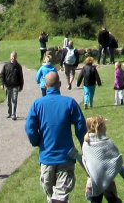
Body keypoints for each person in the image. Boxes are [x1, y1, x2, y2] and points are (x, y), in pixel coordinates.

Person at [25, 72, 86, 203]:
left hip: (47, 157)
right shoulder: (70, 103)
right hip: (66, 156)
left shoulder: (37, 104)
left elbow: (29, 127)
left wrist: (36, 141)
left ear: (45, 86)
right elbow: (80, 126)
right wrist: (84, 146)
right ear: (60, 84)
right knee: (61, 196)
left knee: (50, 195)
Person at [81, 116, 124, 203]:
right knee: (114, 201)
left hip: (91, 182)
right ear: (100, 127)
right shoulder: (106, 142)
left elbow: (85, 161)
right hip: (107, 181)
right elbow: (117, 159)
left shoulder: (86, 144)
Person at [0, 52, 25, 119]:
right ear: (10, 57)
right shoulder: (6, 65)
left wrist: (21, 85)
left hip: (15, 86)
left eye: (14, 56)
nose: (13, 58)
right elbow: (2, 75)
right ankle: (9, 112)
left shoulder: (18, 66)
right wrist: (2, 84)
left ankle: (14, 114)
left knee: (14, 99)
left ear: (16, 57)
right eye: (12, 56)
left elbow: (21, 77)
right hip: (8, 85)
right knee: (8, 100)